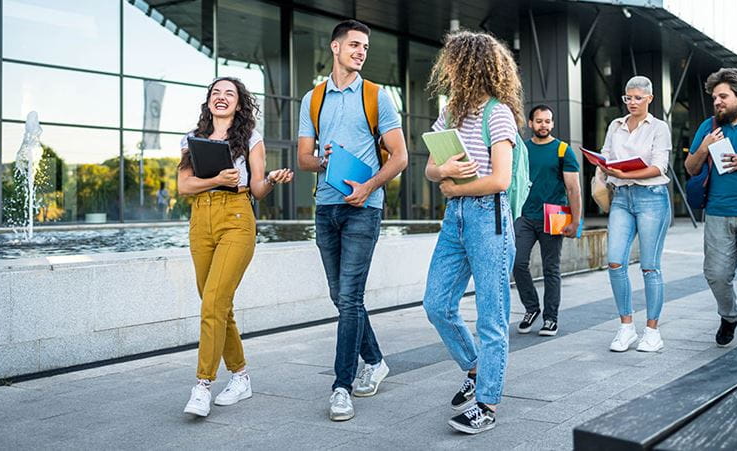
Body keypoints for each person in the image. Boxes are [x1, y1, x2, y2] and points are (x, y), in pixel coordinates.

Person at [296, 20, 408, 422]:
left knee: (348, 298)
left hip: (365, 207)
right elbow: (304, 158)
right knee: (341, 296)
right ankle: (375, 359)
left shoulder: (378, 97)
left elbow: (400, 156)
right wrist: (325, 159)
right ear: (335, 47)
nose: (361, 51)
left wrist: (370, 187)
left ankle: (341, 386)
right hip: (326, 207)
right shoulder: (313, 99)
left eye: (365, 47)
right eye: (355, 45)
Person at [422, 30, 523, 435]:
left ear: (469, 66)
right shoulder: (450, 114)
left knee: (492, 317)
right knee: (436, 303)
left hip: (489, 219)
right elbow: (432, 167)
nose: (446, 68)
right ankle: (476, 366)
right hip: (456, 219)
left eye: (452, 62)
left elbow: (500, 180)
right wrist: (442, 173)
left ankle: (487, 402)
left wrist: (454, 186)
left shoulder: (499, 114)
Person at [178, 77, 294, 417]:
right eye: (215, 92)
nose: (221, 97)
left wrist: (271, 179)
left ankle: (202, 385)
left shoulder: (251, 139)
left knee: (213, 301)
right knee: (217, 304)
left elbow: (257, 188)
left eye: (229, 93)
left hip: (236, 218)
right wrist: (216, 179)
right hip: (200, 220)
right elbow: (184, 185)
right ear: (208, 102)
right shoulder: (193, 138)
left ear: (239, 104)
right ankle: (240, 376)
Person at [684, 67, 737, 345]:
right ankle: (730, 315)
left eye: (723, 96)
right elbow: (690, 168)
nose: (717, 102)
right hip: (718, 214)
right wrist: (704, 147)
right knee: (716, 274)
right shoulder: (708, 128)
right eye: (714, 98)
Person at [601, 76, 672, 353]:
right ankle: (627, 327)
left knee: (649, 266)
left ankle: (652, 331)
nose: (632, 102)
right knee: (615, 262)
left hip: (651, 198)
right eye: (628, 98)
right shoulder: (615, 125)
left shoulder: (659, 127)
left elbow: (659, 167)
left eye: (637, 98)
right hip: (621, 197)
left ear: (649, 99)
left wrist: (624, 171)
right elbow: (607, 155)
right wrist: (605, 166)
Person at [514, 104, 582, 336]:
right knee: (517, 263)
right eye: (539, 121)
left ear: (552, 124)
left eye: (548, 121)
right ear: (531, 123)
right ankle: (531, 308)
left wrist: (575, 221)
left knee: (551, 268)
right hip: (525, 215)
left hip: (554, 216)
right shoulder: (521, 150)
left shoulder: (563, 150)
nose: (544, 125)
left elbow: (574, 189)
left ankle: (550, 318)